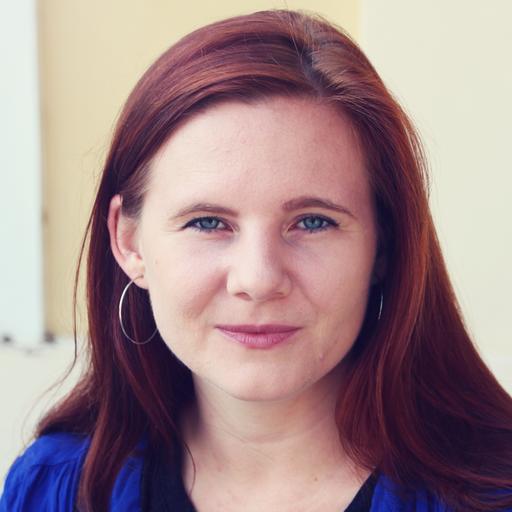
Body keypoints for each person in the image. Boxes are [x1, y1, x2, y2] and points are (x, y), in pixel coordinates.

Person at [1, 9, 511, 512]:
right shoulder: (51, 490)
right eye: (208, 222)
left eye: (313, 221)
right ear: (129, 242)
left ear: (383, 246)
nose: (259, 279)